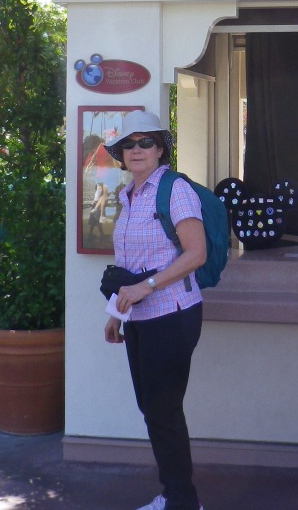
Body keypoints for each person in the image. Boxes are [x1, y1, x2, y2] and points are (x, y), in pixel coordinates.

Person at [102, 110, 207, 510]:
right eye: (128, 144)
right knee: (152, 408)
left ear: (161, 148)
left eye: (146, 142)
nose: (137, 149)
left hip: (173, 314)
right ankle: (175, 495)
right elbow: (129, 266)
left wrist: (144, 287)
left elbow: (196, 254)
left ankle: (182, 501)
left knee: (163, 410)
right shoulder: (127, 195)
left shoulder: (174, 190)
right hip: (140, 317)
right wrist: (117, 312)